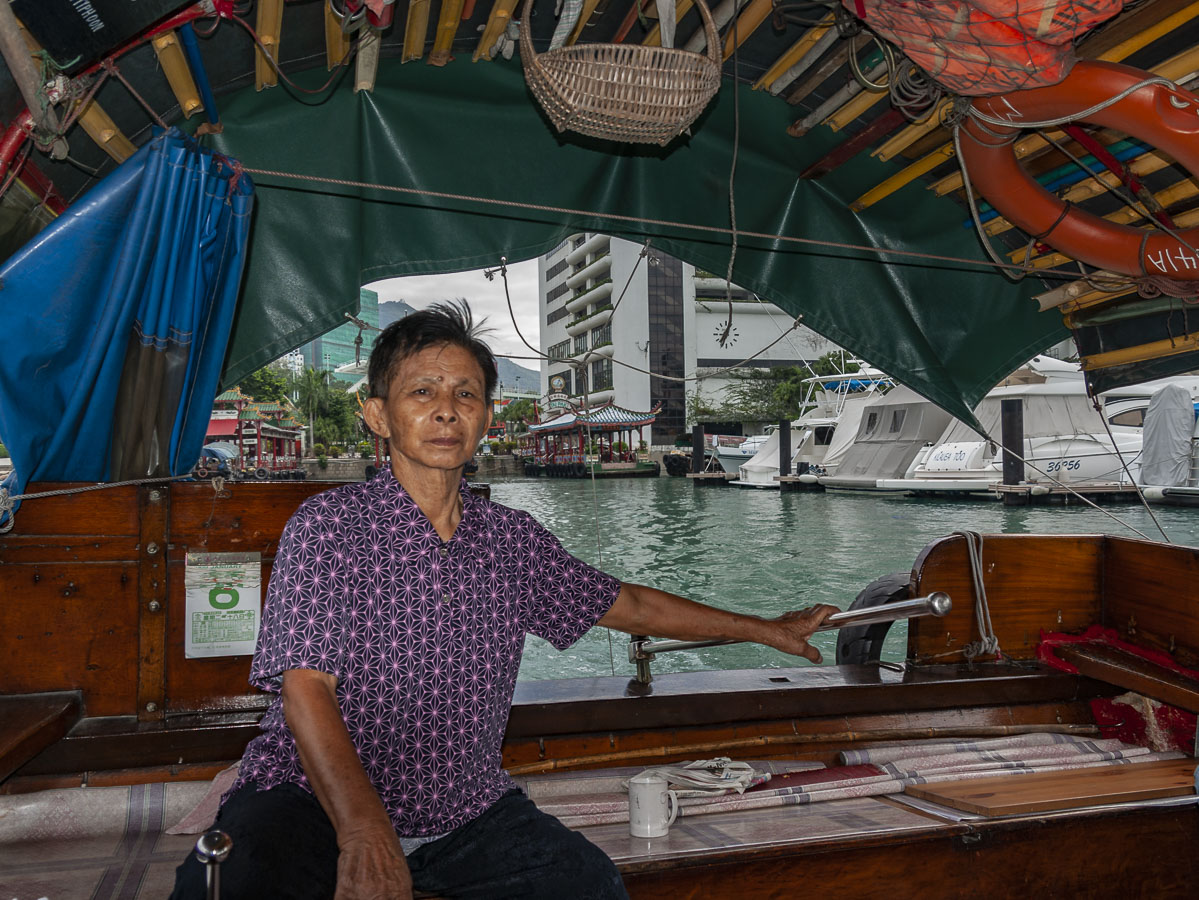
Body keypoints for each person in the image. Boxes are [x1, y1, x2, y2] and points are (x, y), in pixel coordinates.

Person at [172, 300, 836, 900]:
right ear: (377, 414)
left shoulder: (508, 540)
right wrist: (363, 830)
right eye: (422, 392)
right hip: (310, 800)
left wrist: (764, 628)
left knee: (591, 887)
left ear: (487, 416)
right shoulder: (330, 527)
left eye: (466, 394)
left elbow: (626, 603)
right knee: (235, 884)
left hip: (463, 812)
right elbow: (305, 688)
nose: (445, 409)